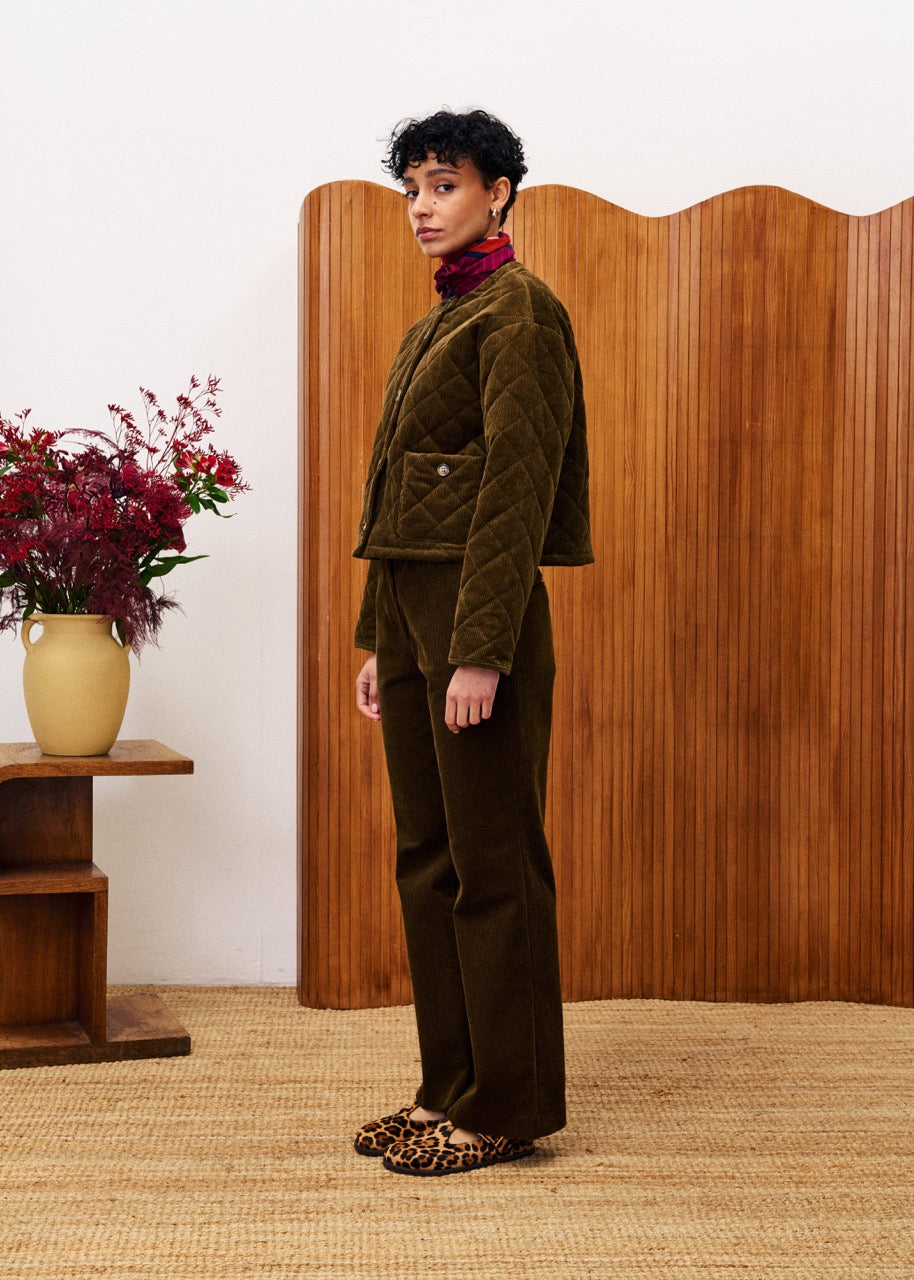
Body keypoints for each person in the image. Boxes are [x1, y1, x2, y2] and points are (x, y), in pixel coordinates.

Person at [351, 108, 593, 1177]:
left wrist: (482, 647)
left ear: (498, 193)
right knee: (428, 858)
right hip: (412, 614)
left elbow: (512, 491)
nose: (422, 207)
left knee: (492, 861)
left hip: (473, 614)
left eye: (443, 185)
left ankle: (507, 1102)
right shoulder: (440, 319)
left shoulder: (521, 313)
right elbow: (403, 495)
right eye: (412, 188)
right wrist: (378, 637)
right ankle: (445, 1084)